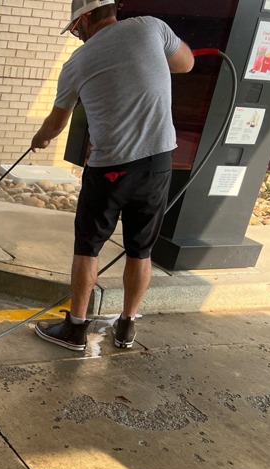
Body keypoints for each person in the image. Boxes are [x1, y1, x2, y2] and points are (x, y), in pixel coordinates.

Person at [31, 0, 194, 351]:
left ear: (87, 17)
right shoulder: (151, 28)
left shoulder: (77, 63)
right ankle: (126, 327)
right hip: (157, 163)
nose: (77, 36)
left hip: (109, 169)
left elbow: (56, 123)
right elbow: (186, 63)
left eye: (76, 28)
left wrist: (40, 139)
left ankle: (75, 329)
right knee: (141, 250)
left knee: (88, 248)